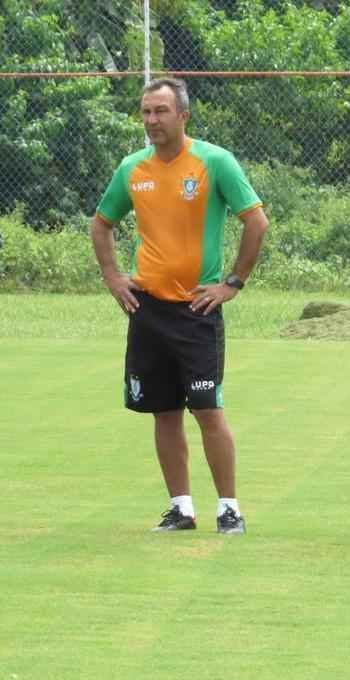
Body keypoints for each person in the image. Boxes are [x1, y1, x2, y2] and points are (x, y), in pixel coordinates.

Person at [91, 78, 268, 534]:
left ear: (183, 115)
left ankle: (229, 508)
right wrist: (114, 277)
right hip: (147, 310)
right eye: (146, 112)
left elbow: (256, 222)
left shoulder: (214, 162)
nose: (151, 120)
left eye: (160, 111)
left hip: (197, 310)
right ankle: (181, 508)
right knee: (163, 411)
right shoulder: (133, 168)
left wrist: (232, 283)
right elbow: (102, 223)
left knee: (208, 410)